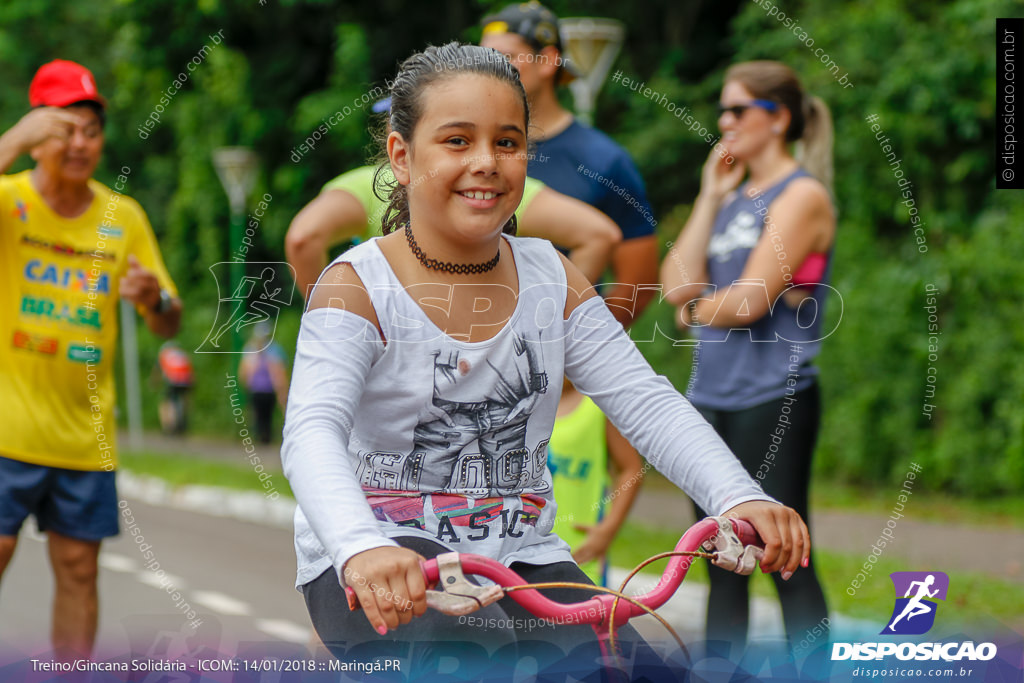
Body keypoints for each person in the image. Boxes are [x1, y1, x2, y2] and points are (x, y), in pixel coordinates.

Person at [281, 43, 810, 676]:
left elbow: (642, 399)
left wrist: (737, 497)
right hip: (382, 560)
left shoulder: (549, 277)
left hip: (521, 556)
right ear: (401, 156)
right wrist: (359, 546)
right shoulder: (358, 285)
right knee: (476, 649)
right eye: (456, 141)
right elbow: (311, 431)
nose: (486, 162)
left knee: (631, 666)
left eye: (508, 142)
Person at [0, 60, 182, 657]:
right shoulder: (9, 201)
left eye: (91, 131)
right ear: (35, 132)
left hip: (84, 436)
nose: (80, 144)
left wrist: (154, 298)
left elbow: (167, 318)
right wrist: (15, 140)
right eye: (64, 129)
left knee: (79, 571)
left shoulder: (121, 216)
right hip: (7, 429)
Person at [660, 60, 835, 655]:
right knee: (720, 556)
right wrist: (711, 194)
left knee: (785, 558)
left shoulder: (802, 194)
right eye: (722, 109)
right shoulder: (733, 199)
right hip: (709, 400)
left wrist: (695, 309)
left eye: (738, 109)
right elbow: (673, 281)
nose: (724, 120)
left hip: (772, 396)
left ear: (778, 117)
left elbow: (750, 302)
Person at [480, 2, 659, 328]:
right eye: (484, 59)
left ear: (547, 61)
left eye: (505, 58)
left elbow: (639, 283)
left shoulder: (603, 159)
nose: (490, 70)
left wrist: (575, 357)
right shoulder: (471, 152)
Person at [285, 163, 620, 297]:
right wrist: (554, 331)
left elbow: (303, 237)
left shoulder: (366, 183)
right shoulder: (498, 183)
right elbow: (598, 235)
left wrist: (334, 318)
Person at [547, 378, 644, 585]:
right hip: (521, 553)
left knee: (583, 614)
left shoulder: (597, 405)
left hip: (580, 556)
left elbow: (631, 468)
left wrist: (608, 530)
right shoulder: (518, 400)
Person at [239, 321, 289, 444]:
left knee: (264, 414)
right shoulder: (254, 350)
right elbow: (245, 370)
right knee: (261, 414)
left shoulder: (272, 350)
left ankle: (264, 437)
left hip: (266, 388)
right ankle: (262, 437)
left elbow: (280, 371)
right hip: (260, 388)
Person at [156, 340, 194, 435]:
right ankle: (184, 423)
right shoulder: (183, 354)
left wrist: (155, 382)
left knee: (168, 402)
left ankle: (169, 427)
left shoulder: (164, 354)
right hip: (186, 381)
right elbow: (191, 369)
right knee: (185, 400)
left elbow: (157, 371)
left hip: (173, 380)